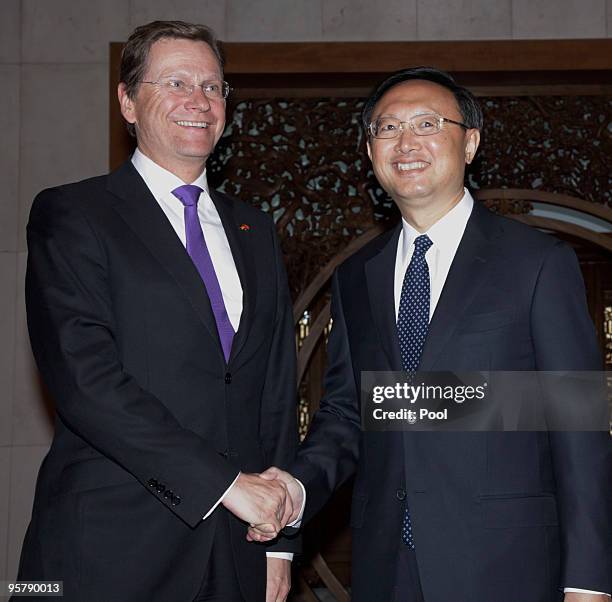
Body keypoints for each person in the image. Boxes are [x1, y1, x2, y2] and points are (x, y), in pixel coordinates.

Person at [251, 67, 611, 601]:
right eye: (387, 127)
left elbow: (576, 425)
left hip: (507, 567)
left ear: (470, 143)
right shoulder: (358, 275)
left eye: (426, 124)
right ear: (370, 152)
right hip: (384, 568)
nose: (406, 142)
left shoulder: (536, 263)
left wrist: (588, 579)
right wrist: (295, 489)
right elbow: (351, 413)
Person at [17, 20, 299, 602]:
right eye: (175, 82)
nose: (199, 101)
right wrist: (224, 485)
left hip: (240, 546)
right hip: (110, 546)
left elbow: (273, 387)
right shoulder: (74, 215)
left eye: (214, 87)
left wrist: (279, 542)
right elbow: (86, 383)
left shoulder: (255, 228)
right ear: (127, 100)